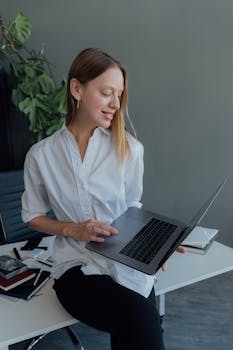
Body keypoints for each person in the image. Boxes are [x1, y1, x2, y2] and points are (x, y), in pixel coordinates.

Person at [22, 48, 181, 350]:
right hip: (75, 268)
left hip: (127, 263)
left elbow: (133, 206)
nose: (116, 104)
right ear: (77, 89)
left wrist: (156, 243)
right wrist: (72, 229)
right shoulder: (41, 156)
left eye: (119, 94)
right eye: (107, 92)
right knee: (141, 318)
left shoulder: (130, 149)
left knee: (137, 326)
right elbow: (32, 215)